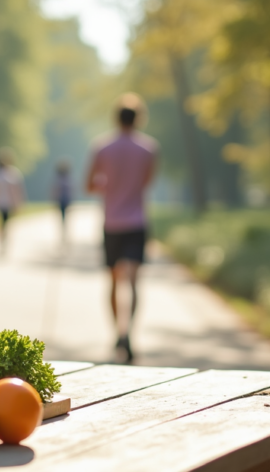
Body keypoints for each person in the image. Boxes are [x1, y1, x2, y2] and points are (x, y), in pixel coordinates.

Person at [85, 94, 156, 364]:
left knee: (114, 280)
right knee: (135, 281)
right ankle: (130, 333)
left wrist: (109, 184)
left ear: (116, 118)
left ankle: (117, 332)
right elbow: (146, 182)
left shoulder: (102, 147)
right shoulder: (149, 149)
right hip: (137, 222)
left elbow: (90, 184)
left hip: (112, 222)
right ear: (138, 119)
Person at [50, 158, 73, 244]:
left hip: (65, 200)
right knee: (62, 217)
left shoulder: (66, 178)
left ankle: (65, 233)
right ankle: (63, 233)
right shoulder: (60, 178)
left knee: (65, 218)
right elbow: (55, 190)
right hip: (61, 200)